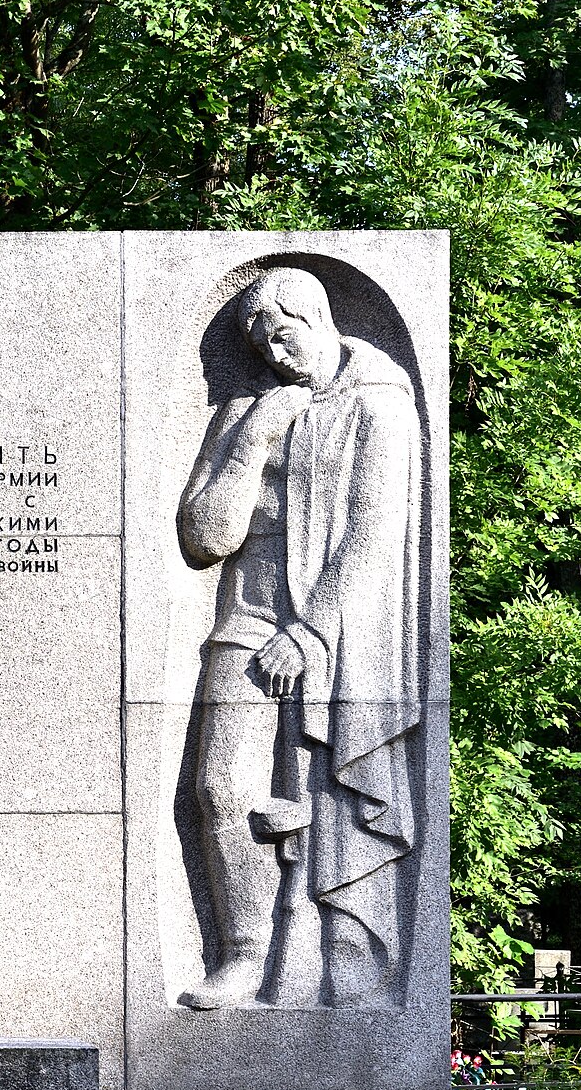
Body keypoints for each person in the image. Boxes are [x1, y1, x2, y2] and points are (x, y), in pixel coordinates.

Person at [177, 266, 422, 1009]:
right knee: (218, 786)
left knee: (321, 799)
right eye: (263, 347)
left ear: (316, 320)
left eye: (284, 337)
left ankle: (331, 960)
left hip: (337, 627)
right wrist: (254, 438)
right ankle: (245, 954)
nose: (279, 357)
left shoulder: (380, 402)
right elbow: (203, 537)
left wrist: (312, 631)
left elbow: (375, 532)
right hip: (245, 611)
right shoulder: (249, 410)